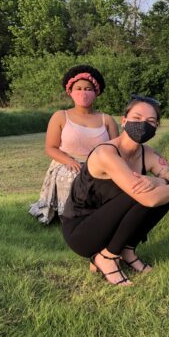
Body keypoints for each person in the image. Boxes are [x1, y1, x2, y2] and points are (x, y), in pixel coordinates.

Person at [62, 95, 169, 286]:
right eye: (137, 118)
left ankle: (127, 250)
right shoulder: (106, 153)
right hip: (82, 231)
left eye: (151, 121)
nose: (143, 125)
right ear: (124, 121)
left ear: (155, 128)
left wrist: (159, 181)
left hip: (110, 224)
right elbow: (156, 197)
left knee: (164, 193)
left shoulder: (148, 153)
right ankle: (107, 257)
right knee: (145, 193)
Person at [29, 65, 119, 224]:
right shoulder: (60, 116)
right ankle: (70, 216)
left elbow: (116, 150)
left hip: (99, 164)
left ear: (96, 92)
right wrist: (69, 161)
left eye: (88, 88)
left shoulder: (107, 120)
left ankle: (102, 214)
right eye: (78, 88)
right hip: (68, 163)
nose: (83, 92)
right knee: (73, 176)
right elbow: (50, 148)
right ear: (70, 91)